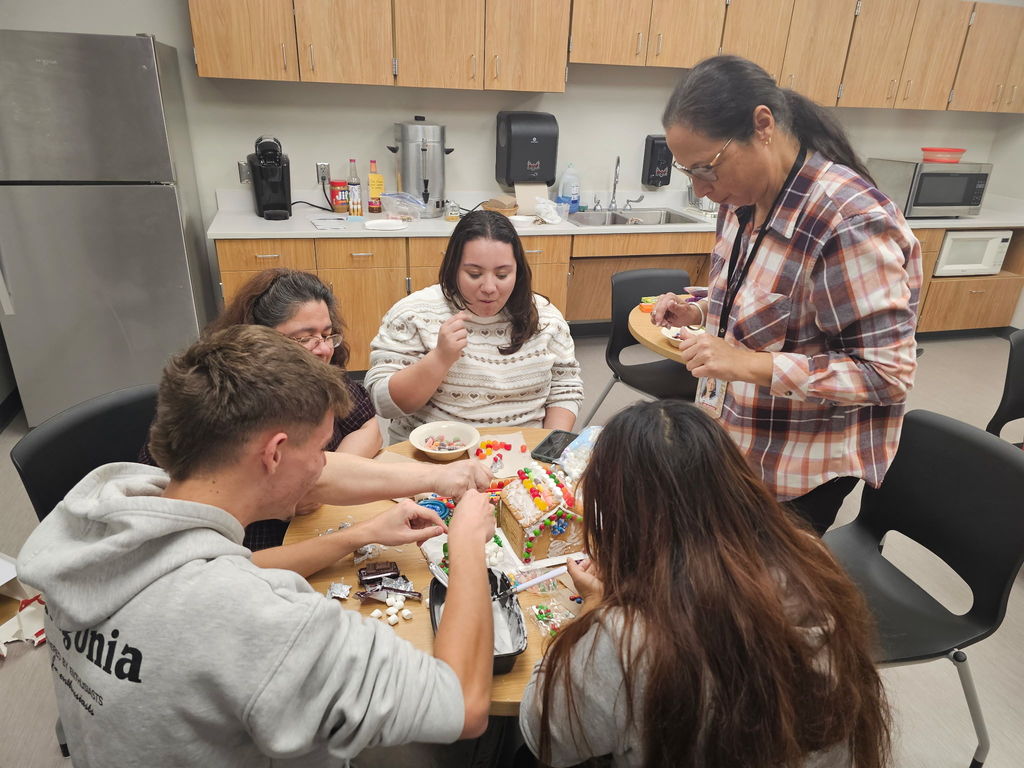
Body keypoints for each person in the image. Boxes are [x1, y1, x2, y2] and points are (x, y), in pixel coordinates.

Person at [18, 324, 496, 767]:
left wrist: (427, 484)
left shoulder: (102, 502)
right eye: (320, 450)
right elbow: (463, 705)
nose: (324, 464)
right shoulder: (259, 618)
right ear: (274, 453)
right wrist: (467, 548)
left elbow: (321, 477)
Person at [519, 400, 891, 768]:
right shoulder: (808, 555)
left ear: (622, 516)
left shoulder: (627, 636)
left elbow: (544, 734)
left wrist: (594, 607)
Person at [651, 55, 921, 534]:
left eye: (707, 168)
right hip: (737, 441)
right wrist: (699, 309)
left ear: (763, 126)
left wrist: (748, 364)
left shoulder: (848, 221)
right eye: (688, 172)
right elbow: (770, 297)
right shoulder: (742, 199)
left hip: (795, 469)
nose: (701, 189)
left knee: (760, 579)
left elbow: (886, 374)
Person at [141, 269, 492, 575]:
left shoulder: (305, 389)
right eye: (304, 337)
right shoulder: (230, 424)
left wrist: (321, 478)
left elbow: (364, 426)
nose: (322, 348)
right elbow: (238, 570)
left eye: (326, 335)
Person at [365, 210, 584, 443]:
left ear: (517, 271)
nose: (489, 287)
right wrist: (439, 358)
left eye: (502, 275)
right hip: (436, 453)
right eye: (474, 274)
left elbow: (565, 389)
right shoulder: (413, 314)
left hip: (522, 453)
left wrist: (549, 449)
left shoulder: (545, 318)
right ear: (454, 268)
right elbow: (383, 403)